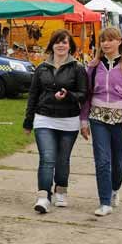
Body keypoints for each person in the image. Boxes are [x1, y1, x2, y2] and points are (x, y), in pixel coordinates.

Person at [24, 29, 87, 214]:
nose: (61, 45)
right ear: (52, 45)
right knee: (47, 158)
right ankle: (43, 197)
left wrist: (68, 95)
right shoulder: (42, 68)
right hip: (44, 119)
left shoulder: (78, 68)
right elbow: (33, 95)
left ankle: (61, 189)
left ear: (70, 46)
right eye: (57, 42)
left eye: (65, 42)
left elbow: (84, 95)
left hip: (69, 120)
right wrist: (28, 121)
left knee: (62, 159)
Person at [80, 27, 122, 216]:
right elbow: (87, 95)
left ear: (119, 41)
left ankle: (115, 189)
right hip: (98, 119)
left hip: (121, 121)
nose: (106, 44)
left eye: (110, 40)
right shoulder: (94, 65)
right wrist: (83, 121)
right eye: (103, 40)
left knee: (118, 162)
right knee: (102, 161)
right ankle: (104, 202)